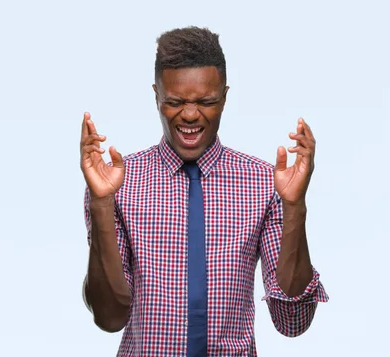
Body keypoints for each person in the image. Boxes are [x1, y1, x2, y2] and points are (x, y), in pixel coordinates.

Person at [79, 26, 328, 357]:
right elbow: (109, 317)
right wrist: (101, 204)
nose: (191, 114)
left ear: (224, 97)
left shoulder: (265, 182)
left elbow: (292, 322)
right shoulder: (117, 183)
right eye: (174, 101)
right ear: (156, 95)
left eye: (206, 101)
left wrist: (295, 207)